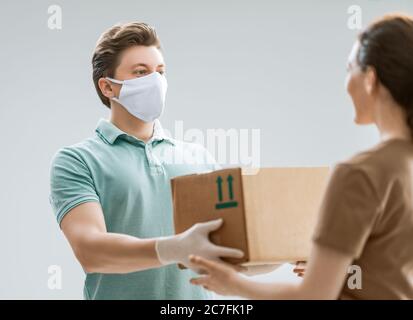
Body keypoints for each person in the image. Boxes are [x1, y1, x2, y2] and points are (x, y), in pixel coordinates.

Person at [189, 14, 413, 300]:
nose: (346, 83)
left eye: (349, 69)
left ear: (370, 79)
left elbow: (314, 296)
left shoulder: (360, 172)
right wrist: (346, 273)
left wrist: (234, 284)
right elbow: (393, 268)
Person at [49, 22, 244, 300]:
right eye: (141, 72)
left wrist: (287, 253)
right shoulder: (77, 160)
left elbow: (232, 249)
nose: (156, 81)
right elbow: (90, 251)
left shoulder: (198, 157)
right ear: (107, 87)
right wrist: (173, 249)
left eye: (160, 72)